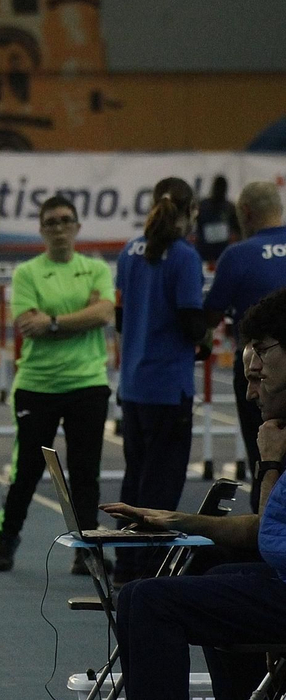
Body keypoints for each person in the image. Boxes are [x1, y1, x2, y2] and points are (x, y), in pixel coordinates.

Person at [93, 295, 286, 700]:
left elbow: (269, 537)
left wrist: (269, 463)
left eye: (256, 375)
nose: (250, 392)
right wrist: (173, 520)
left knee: (146, 601)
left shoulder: (279, 440)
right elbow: (266, 532)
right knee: (203, 564)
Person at [0, 195, 114, 573]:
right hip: (38, 386)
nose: (59, 228)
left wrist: (55, 322)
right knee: (27, 469)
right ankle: (7, 540)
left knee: (85, 471)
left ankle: (86, 551)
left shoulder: (96, 269)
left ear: (77, 227)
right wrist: (81, 315)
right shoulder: (27, 273)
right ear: (43, 230)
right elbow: (29, 324)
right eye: (52, 222)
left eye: (66, 221)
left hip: (87, 383)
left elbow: (104, 313)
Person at [113, 178, 207, 580]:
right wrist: (203, 340)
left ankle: (123, 565)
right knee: (161, 485)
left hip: (133, 384)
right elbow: (190, 321)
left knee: (135, 477)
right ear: (191, 213)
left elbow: (120, 319)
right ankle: (148, 574)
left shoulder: (129, 252)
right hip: (168, 387)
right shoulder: (185, 257)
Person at [204, 180, 286, 507]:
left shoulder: (238, 255)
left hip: (259, 372)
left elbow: (210, 317)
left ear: (246, 214)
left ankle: (265, 537)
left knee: (264, 460)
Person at [194, 175, 241, 269]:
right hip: (206, 250)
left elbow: (237, 230)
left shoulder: (229, 207)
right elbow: (197, 226)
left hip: (221, 250)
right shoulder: (204, 205)